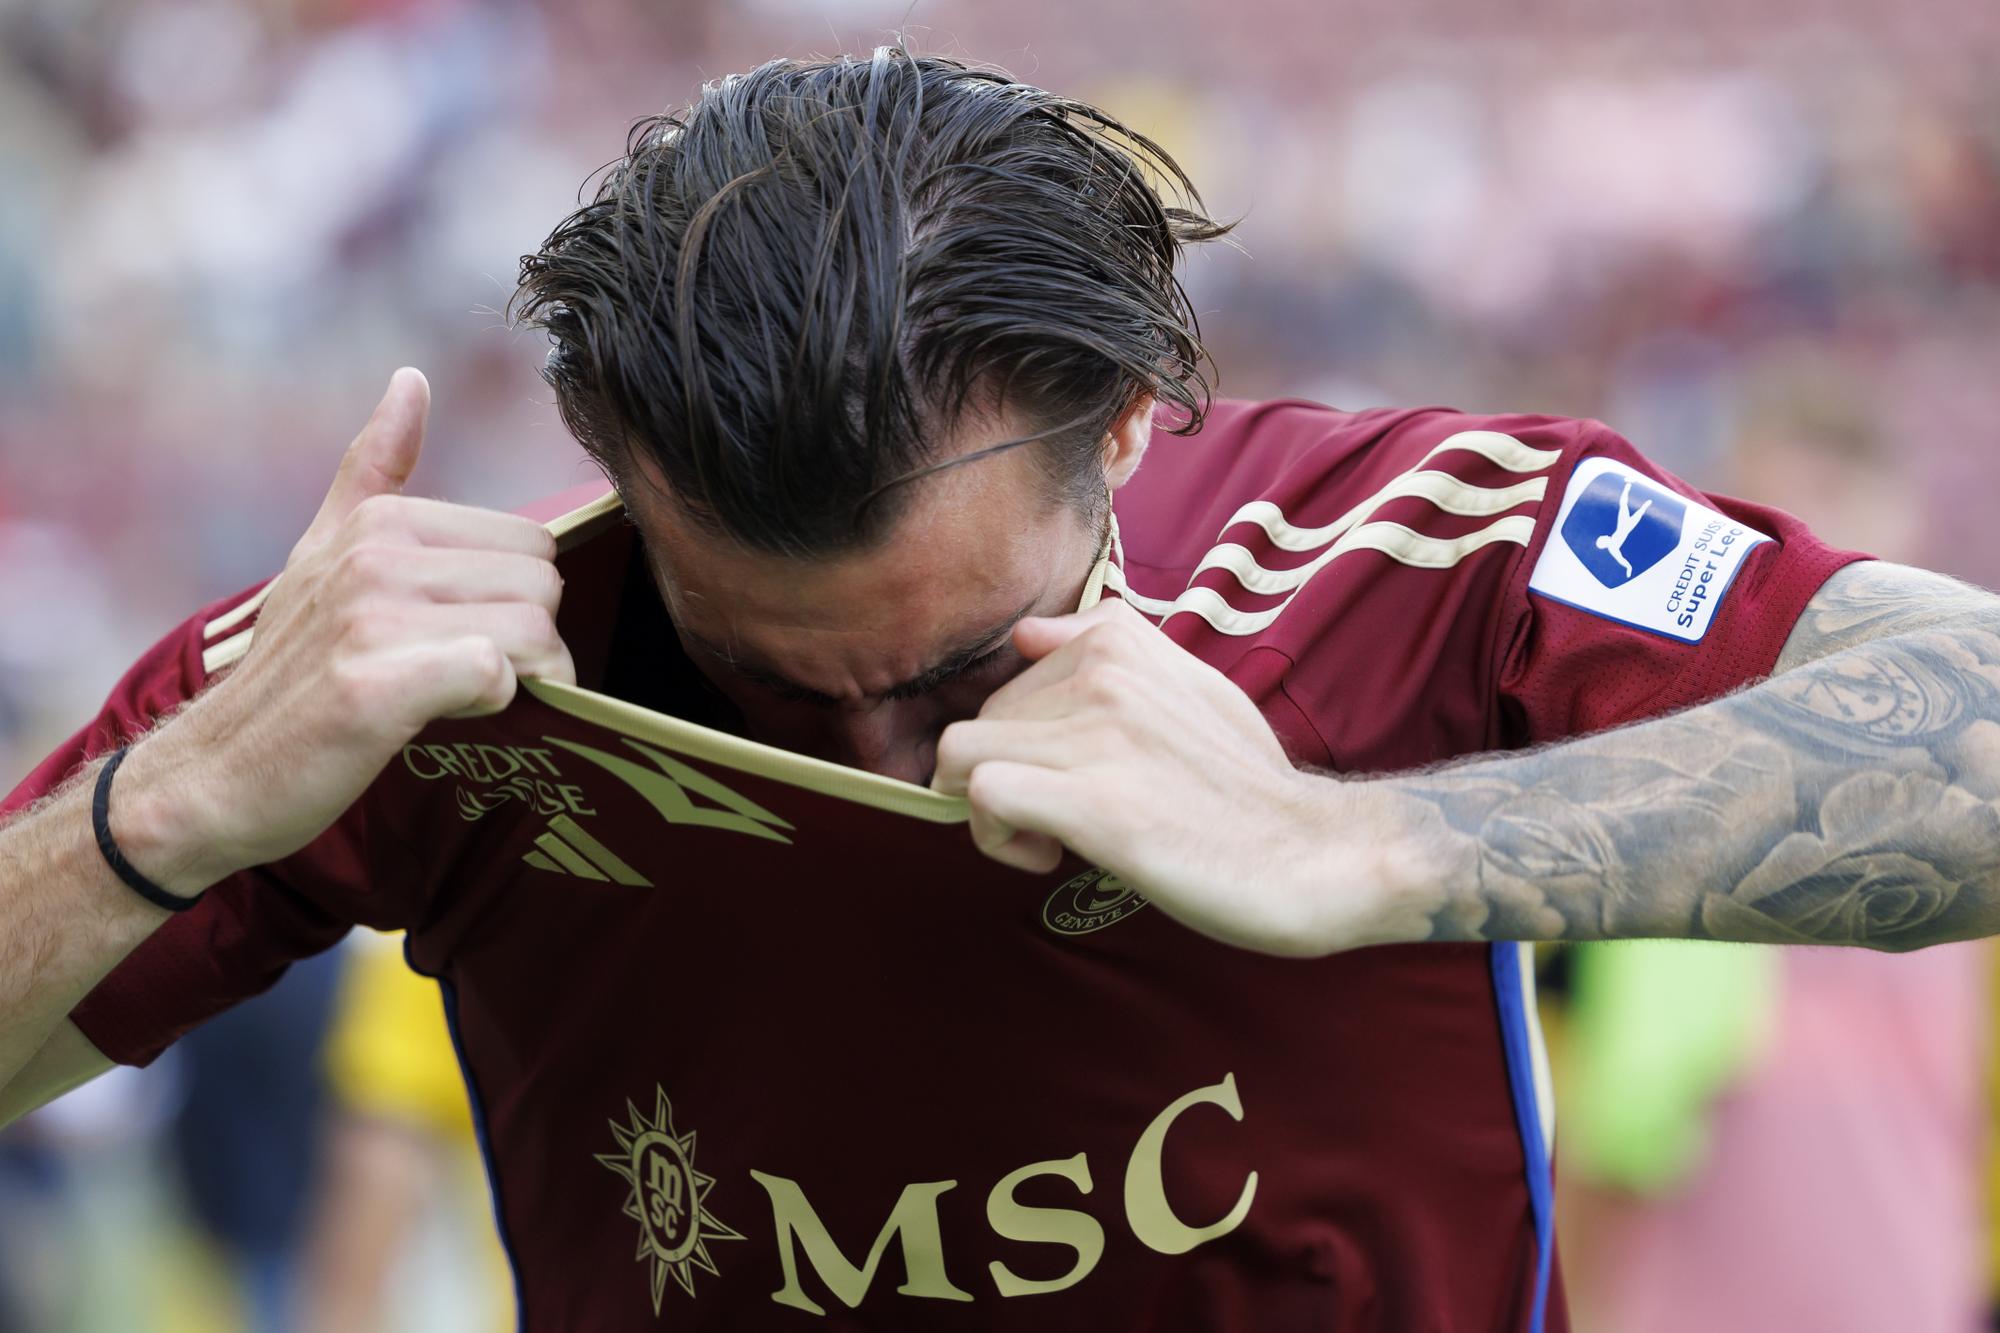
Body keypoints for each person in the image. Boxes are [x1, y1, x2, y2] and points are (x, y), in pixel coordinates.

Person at [1, 48, 1996, 1331]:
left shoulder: (1401, 547)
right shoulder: (434, 673)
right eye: (761, 676)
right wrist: (160, 807)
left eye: (963, 665)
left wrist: (1357, 841)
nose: (897, 759)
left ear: (1129, 428)